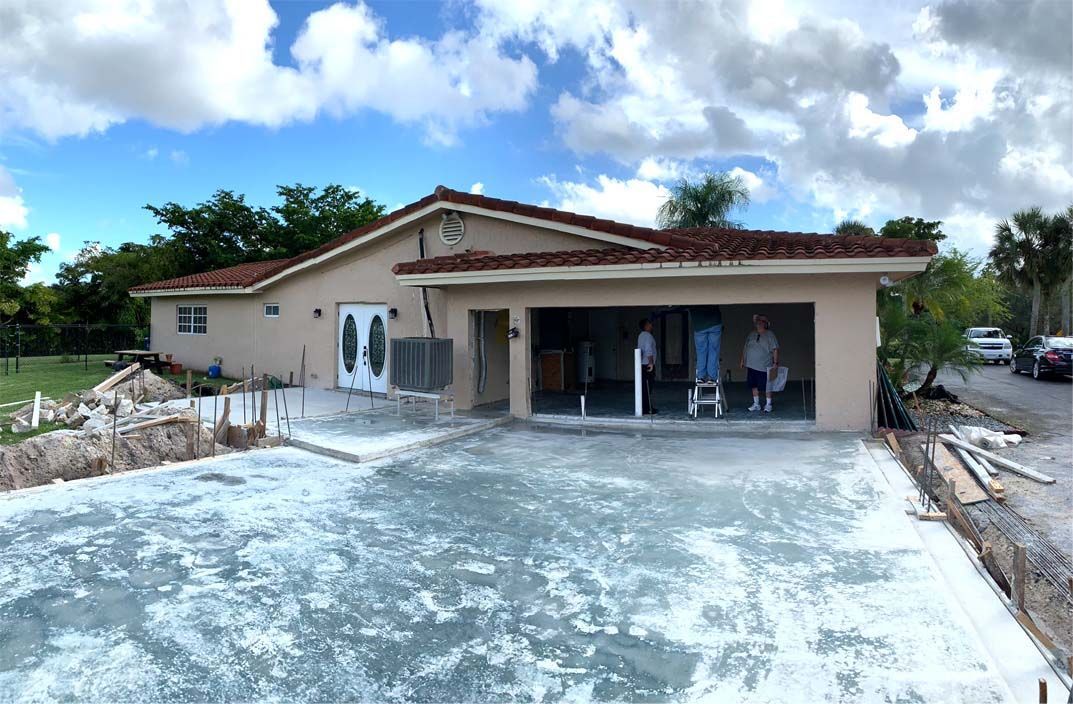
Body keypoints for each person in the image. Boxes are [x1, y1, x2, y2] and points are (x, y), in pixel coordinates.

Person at [740, 314, 779, 413]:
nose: (759, 324)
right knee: (753, 385)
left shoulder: (770, 334)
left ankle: (768, 404)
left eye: (761, 322)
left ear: (766, 324)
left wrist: (775, 363)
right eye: (758, 322)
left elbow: (775, 349)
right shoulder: (751, 334)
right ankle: (756, 404)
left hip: (764, 365)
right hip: (751, 364)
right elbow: (745, 348)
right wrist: (742, 360)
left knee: (767, 386)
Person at [691, 305, 723, 383]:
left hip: (699, 325)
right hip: (715, 322)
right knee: (713, 351)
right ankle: (712, 378)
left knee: (701, 352)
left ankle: (700, 377)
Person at [637, 318, 658, 415]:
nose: (651, 326)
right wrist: (651, 363)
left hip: (641, 364)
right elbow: (648, 349)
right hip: (647, 364)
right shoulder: (648, 336)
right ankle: (647, 408)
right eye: (650, 324)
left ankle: (644, 407)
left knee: (643, 387)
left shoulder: (640, 336)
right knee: (648, 387)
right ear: (645, 326)